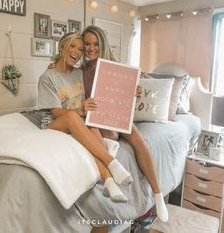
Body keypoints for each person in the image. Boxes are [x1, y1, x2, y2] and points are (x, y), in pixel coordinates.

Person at [82, 25, 169, 223]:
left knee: (139, 140)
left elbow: (128, 101)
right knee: (111, 136)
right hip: (99, 115)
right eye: (87, 44)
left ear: (102, 44)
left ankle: (157, 194)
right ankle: (111, 163)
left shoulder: (115, 68)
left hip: (118, 113)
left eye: (95, 44)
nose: (91, 48)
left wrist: (135, 93)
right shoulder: (82, 71)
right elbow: (79, 98)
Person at [38, 32, 133, 205]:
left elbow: (104, 86)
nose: (77, 51)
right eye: (72, 46)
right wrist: (81, 109)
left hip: (77, 120)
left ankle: (109, 182)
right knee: (74, 117)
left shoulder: (78, 73)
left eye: (80, 49)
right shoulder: (47, 77)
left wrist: (131, 89)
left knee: (94, 129)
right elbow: (57, 112)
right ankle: (112, 162)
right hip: (54, 123)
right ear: (62, 47)